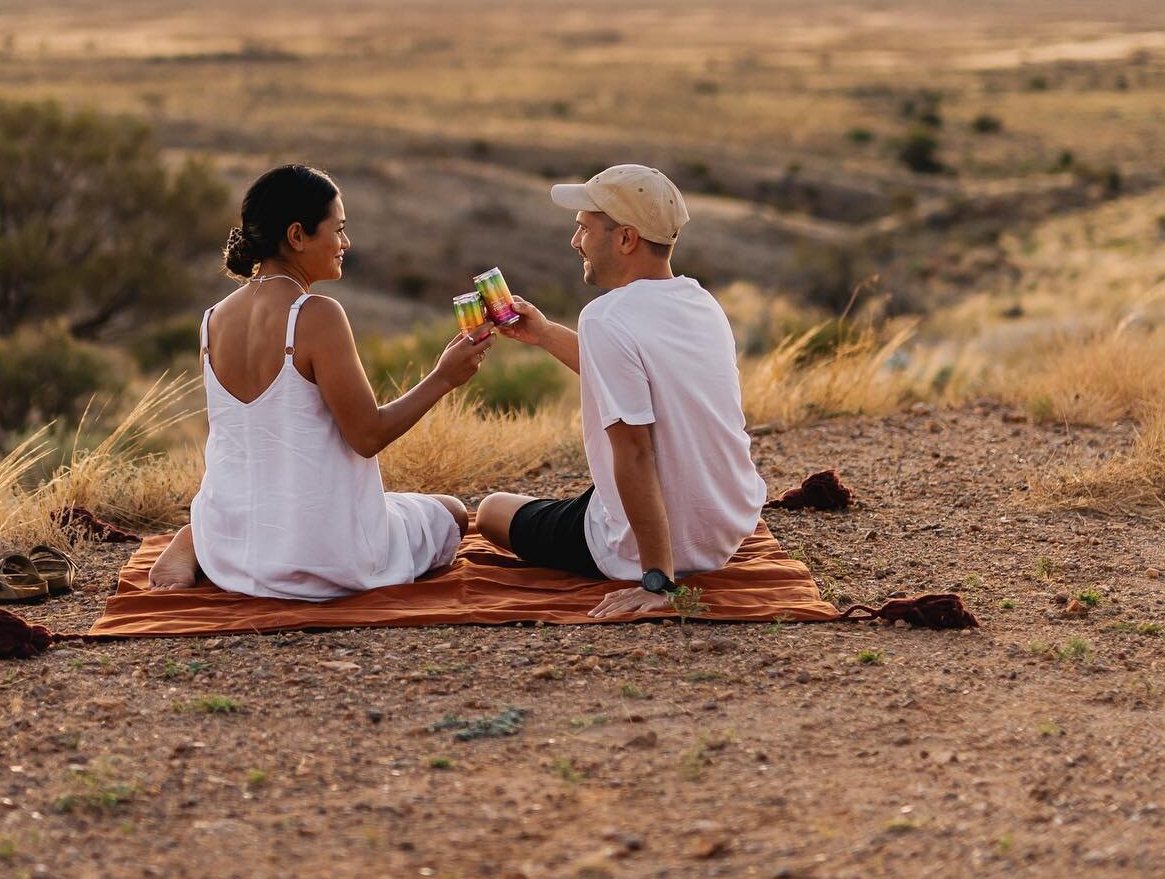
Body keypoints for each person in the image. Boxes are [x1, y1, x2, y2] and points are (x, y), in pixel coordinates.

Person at [149, 164, 489, 598]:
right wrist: (444, 377)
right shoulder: (315, 315)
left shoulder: (212, 320)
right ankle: (198, 537)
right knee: (452, 513)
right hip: (320, 554)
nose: (345, 242)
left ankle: (200, 537)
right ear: (297, 236)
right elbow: (367, 435)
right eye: (339, 229)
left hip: (234, 544)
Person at [475, 164, 767, 618]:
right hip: (724, 529)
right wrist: (547, 334)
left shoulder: (606, 317)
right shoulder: (702, 303)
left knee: (492, 511)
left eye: (584, 229)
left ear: (626, 238)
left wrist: (656, 580)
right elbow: (639, 377)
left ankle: (643, 559)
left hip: (655, 550)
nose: (576, 243)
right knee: (586, 495)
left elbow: (634, 453)